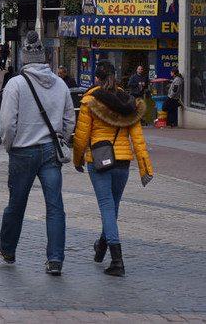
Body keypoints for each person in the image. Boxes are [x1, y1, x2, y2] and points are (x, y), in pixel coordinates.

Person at [0, 31, 75, 275]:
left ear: (24, 60)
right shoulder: (59, 84)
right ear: (44, 58)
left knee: (16, 204)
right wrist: (61, 138)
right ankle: (55, 259)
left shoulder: (16, 84)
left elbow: (7, 124)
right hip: (51, 151)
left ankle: (8, 249)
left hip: (22, 151)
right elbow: (70, 119)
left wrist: (9, 146)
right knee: (55, 206)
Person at [73, 60, 153, 277]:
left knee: (107, 207)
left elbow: (81, 136)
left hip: (99, 160)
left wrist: (77, 159)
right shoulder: (129, 102)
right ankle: (101, 246)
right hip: (123, 162)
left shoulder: (90, 101)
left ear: (96, 78)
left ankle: (117, 261)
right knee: (113, 207)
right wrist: (145, 168)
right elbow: (137, 138)